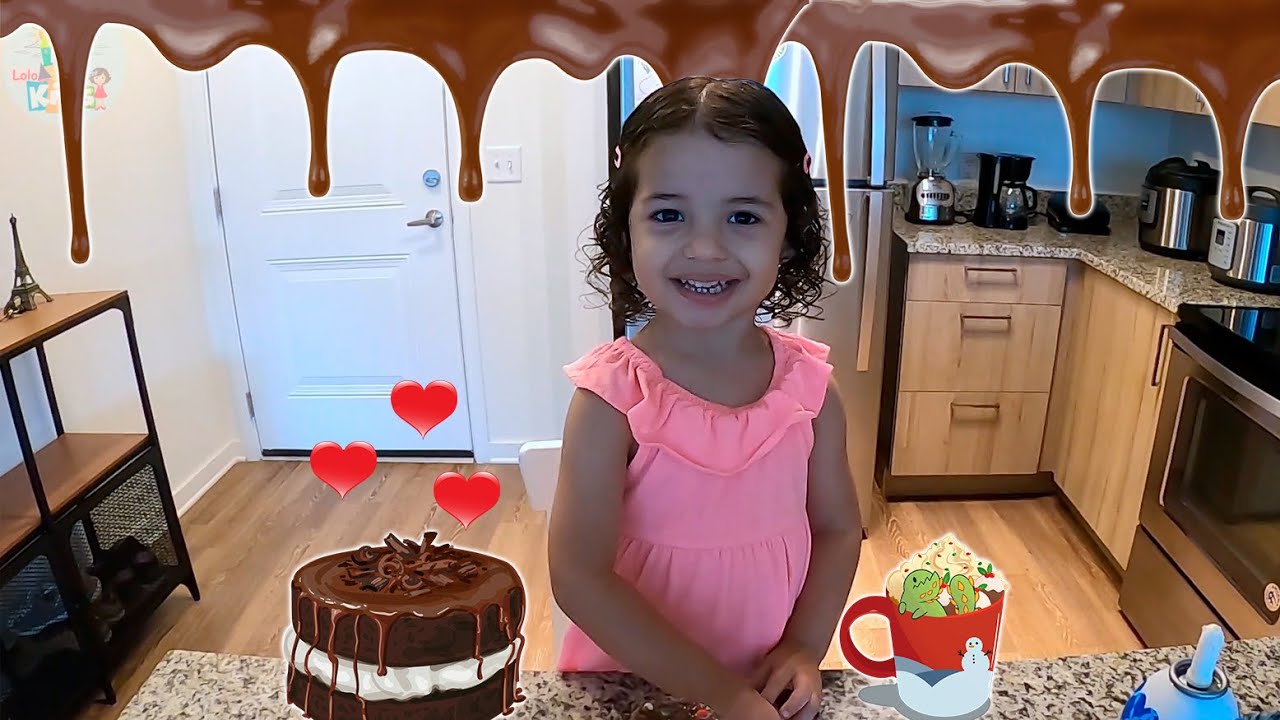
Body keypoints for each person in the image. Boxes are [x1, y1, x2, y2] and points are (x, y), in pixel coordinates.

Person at [548, 76, 864, 720]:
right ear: (625, 231)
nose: (704, 248)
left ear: (789, 234)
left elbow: (837, 530)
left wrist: (805, 646)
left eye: (743, 217)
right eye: (668, 215)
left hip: (766, 691)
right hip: (631, 691)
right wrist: (721, 695)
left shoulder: (809, 392)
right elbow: (580, 577)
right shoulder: (612, 401)